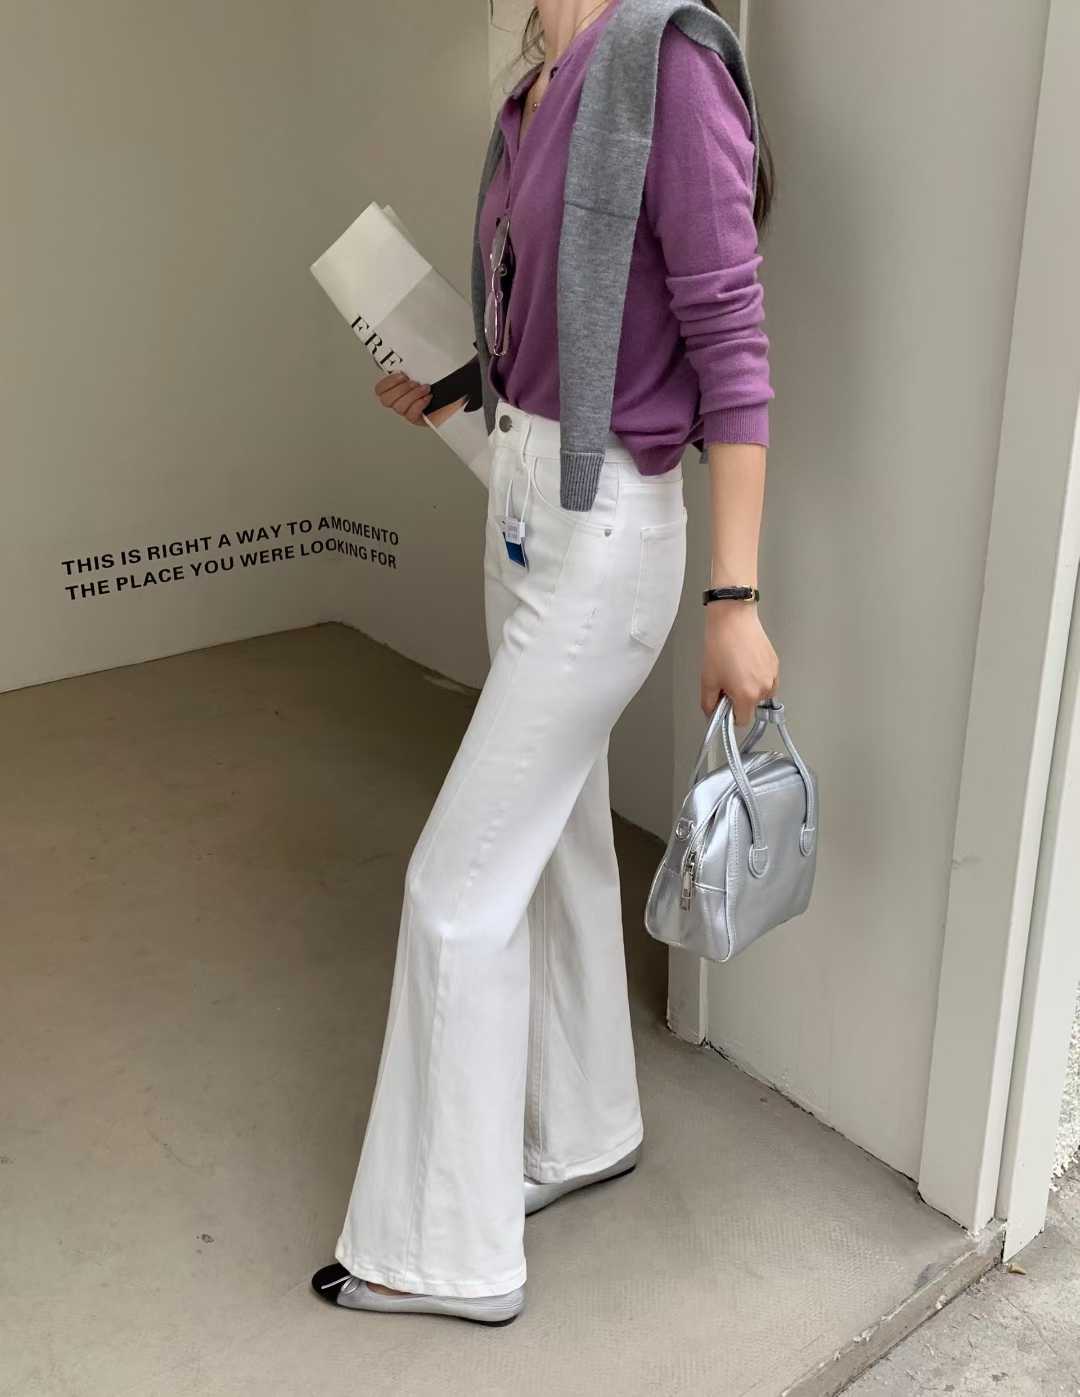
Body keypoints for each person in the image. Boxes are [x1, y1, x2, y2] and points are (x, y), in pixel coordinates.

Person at [311, 0, 778, 1326]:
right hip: (520, 510)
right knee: (560, 838)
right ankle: (584, 1127)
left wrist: (734, 597)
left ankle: (443, 1251)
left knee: (453, 889)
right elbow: (569, 319)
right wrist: (462, 381)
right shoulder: (533, 88)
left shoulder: (668, 63)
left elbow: (730, 346)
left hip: (607, 534)